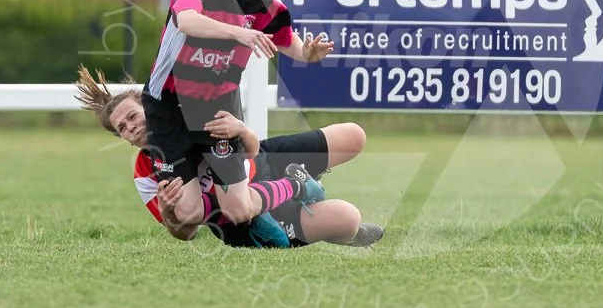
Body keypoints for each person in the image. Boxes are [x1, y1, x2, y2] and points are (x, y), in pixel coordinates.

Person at [144, 0, 335, 230]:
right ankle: (214, 206)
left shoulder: (263, 3)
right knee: (187, 214)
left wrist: (309, 53)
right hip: (168, 109)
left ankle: (296, 184)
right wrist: (240, 32)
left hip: (218, 112)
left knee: (239, 210)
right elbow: (187, 20)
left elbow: (292, 44)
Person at [77, 66, 383, 249]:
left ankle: (301, 186)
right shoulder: (147, 173)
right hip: (243, 220)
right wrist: (170, 213)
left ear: (150, 108)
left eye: (133, 116)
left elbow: (250, 151)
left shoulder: (189, 119)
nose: (132, 127)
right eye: (123, 128)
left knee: (353, 136)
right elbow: (187, 233)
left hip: (261, 161)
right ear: (125, 140)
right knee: (348, 219)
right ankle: (304, 195)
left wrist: (241, 129)